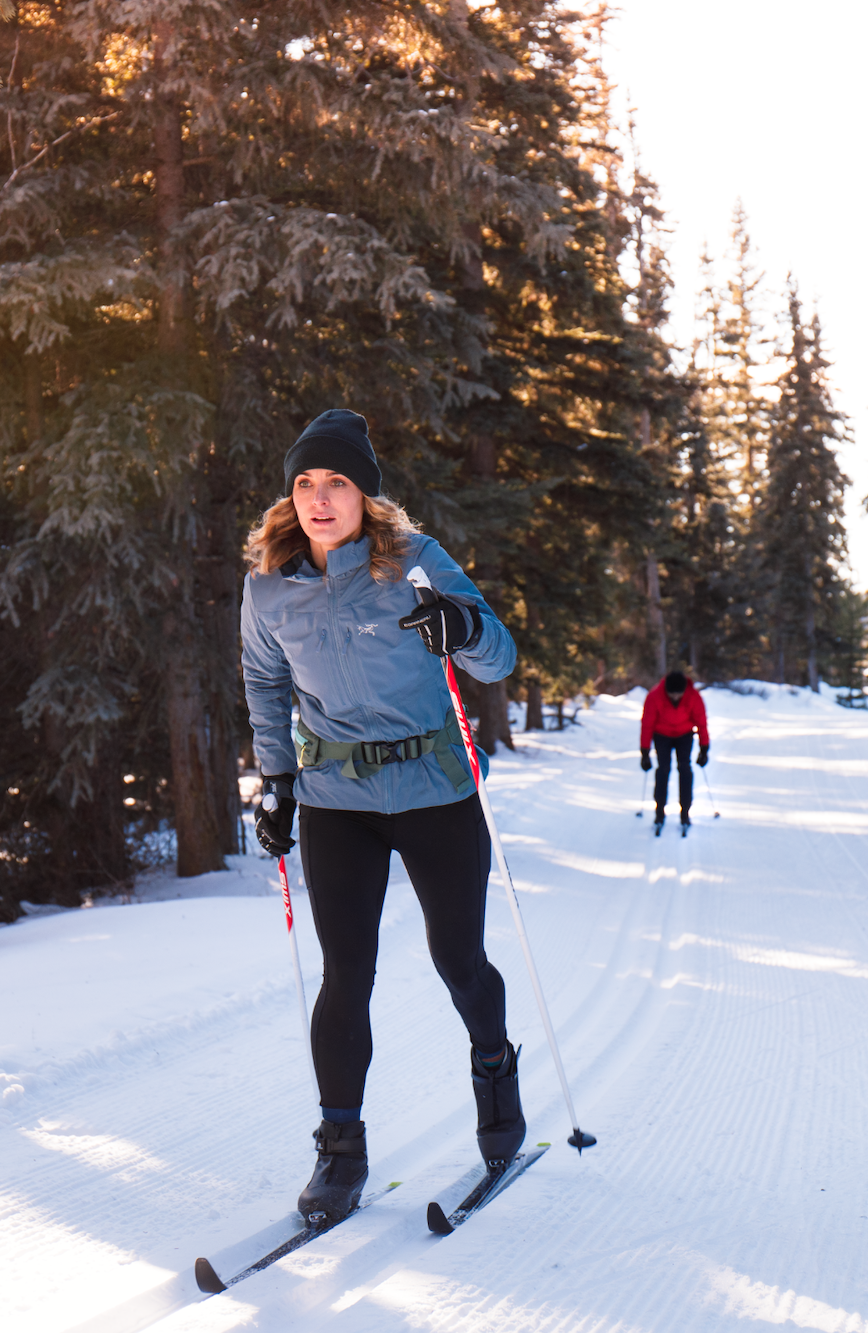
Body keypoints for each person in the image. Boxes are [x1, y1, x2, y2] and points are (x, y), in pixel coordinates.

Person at [241, 408, 524, 1225]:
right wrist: (278, 779)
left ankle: (497, 1075)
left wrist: (462, 624)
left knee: (459, 960)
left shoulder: (416, 563)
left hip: (435, 787)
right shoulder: (268, 587)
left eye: (336, 483)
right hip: (339, 802)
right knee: (345, 974)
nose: (319, 499)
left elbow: (497, 655)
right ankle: (339, 1150)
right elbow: (264, 684)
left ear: (366, 494)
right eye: (304, 483)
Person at [639, 670, 710, 831]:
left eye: (679, 695)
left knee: (685, 768)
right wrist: (645, 752)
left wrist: (704, 748)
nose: (676, 698)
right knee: (663, 769)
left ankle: (685, 812)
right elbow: (647, 724)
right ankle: (659, 812)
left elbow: (701, 722)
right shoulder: (654, 696)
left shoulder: (693, 697)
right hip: (661, 735)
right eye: (673, 695)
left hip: (684, 735)